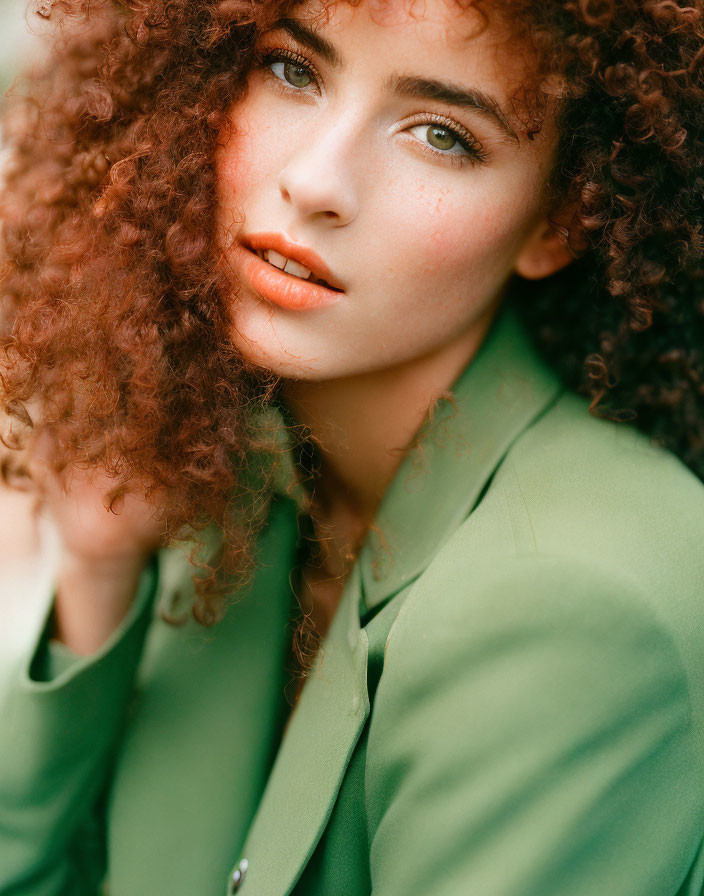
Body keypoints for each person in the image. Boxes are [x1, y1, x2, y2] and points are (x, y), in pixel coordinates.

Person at [0, 0, 703, 893]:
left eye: (442, 134)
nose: (317, 180)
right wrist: (98, 570)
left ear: (558, 221)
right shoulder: (245, 484)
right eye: (293, 70)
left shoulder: (569, 606)